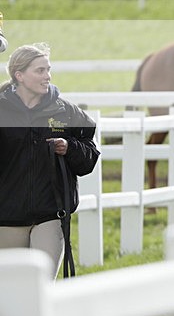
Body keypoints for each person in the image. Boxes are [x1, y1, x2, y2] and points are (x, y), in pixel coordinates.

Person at [0, 43, 100, 279]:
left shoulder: (67, 112)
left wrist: (70, 148)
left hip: (50, 215)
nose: (48, 76)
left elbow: (89, 158)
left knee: (42, 287)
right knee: (9, 290)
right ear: (19, 75)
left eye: (48, 69)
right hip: (6, 216)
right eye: (40, 71)